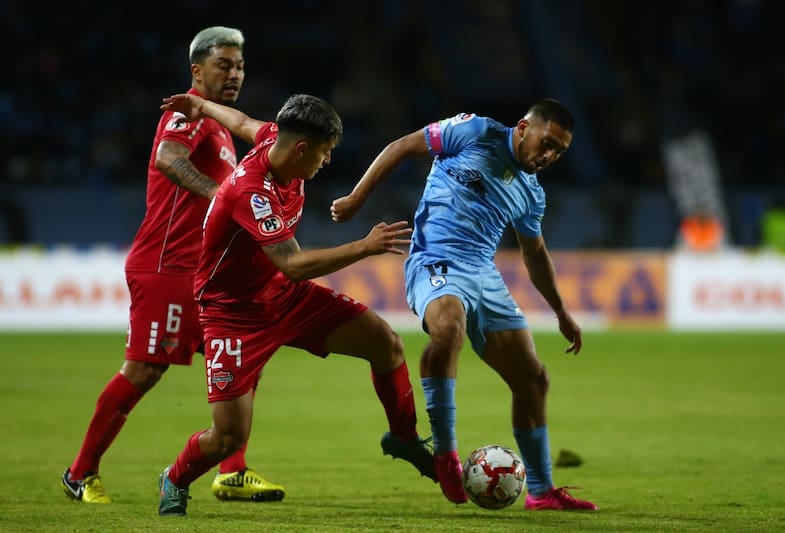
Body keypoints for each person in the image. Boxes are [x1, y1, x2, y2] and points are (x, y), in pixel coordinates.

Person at [155, 92, 435, 517]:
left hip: (284, 297)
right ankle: (174, 478)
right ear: (302, 148)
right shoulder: (252, 191)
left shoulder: (274, 139)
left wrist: (203, 107)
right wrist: (364, 246)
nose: (325, 163)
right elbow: (293, 265)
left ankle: (404, 439)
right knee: (228, 438)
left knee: (386, 343)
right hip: (234, 315)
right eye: (324, 154)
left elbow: (243, 119)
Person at [331, 99, 598, 511]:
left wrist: (561, 312)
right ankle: (445, 453)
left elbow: (535, 253)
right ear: (524, 127)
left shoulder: (531, 193)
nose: (548, 156)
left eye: (559, 152)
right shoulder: (475, 132)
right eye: (546, 143)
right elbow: (401, 146)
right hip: (434, 259)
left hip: (482, 274)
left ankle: (542, 492)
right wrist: (355, 199)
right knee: (448, 329)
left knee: (533, 380)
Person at [62, 26, 285, 504]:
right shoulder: (188, 113)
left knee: (242, 358)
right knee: (144, 370)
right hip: (167, 266)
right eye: (224, 65)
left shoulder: (222, 127)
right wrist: (222, 197)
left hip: (201, 273)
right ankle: (80, 472)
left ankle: (232, 471)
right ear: (197, 71)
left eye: (240, 66)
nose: (234, 74)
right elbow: (168, 158)